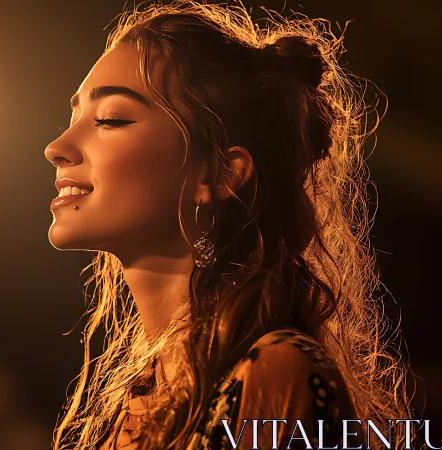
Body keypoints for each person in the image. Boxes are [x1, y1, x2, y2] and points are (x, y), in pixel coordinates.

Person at [43, 1, 415, 449]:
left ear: (219, 174)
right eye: (72, 119)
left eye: (110, 119)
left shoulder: (275, 371)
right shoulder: (140, 394)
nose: (57, 146)